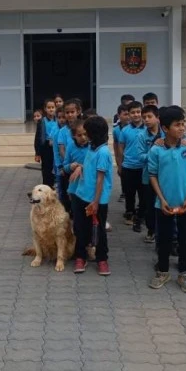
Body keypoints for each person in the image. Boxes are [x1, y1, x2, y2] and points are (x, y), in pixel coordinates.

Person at [148, 106, 186, 293]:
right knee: (163, 239)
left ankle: (184, 272)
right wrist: (161, 199)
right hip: (163, 204)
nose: (182, 128)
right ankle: (162, 271)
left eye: (183, 124)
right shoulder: (156, 150)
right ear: (165, 127)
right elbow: (152, 175)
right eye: (177, 125)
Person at [70, 116, 113, 276]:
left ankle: (102, 259)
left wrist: (95, 202)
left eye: (87, 132)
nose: (85, 135)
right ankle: (80, 256)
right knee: (80, 228)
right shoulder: (91, 148)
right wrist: (80, 168)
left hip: (97, 200)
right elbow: (89, 167)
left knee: (99, 230)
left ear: (94, 133)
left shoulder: (103, 152)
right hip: (81, 195)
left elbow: (100, 179)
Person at [135, 105, 165, 240]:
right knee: (150, 205)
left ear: (157, 118)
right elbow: (141, 156)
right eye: (144, 117)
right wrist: (154, 150)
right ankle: (151, 230)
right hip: (148, 176)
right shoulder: (142, 136)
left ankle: (165, 232)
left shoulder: (165, 133)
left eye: (149, 117)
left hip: (165, 176)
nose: (146, 120)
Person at [117, 101, 146, 225]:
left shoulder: (147, 129)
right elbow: (121, 147)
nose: (136, 115)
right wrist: (120, 164)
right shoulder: (125, 130)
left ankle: (141, 215)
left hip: (143, 167)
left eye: (138, 112)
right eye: (132, 112)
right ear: (128, 114)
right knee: (129, 193)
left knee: (143, 193)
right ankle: (130, 213)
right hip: (128, 166)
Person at [62, 120, 89, 232]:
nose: (83, 137)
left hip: (89, 186)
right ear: (74, 136)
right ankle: (79, 242)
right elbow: (65, 166)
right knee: (77, 216)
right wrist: (71, 166)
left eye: (85, 134)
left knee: (89, 216)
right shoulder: (71, 147)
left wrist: (82, 167)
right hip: (75, 187)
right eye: (79, 135)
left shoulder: (93, 147)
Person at [57, 99, 82, 214]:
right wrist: (67, 164)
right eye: (67, 112)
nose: (70, 115)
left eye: (72, 112)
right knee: (70, 192)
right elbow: (61, 149)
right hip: (70, 167)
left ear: (78, 111)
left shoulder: (84, 127)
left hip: (85, 167)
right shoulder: (62, 131)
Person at [34, 99, 57, 187]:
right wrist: (37, 153)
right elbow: (38, 138)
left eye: (53, 107)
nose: (51, 109)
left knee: (56, 166)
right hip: (46, 147)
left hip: (57, 146)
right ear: (45, 109)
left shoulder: (58, 119)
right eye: (49, 107)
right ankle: (47, 187)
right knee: (46, 168)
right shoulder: (42, 121)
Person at [112, 104, 130, 203]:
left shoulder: (135, 129)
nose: (127, 117)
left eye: (128, 114)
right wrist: (118, 161)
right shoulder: (116, 130)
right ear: (118, 116)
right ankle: (124, 192)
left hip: (132, 158)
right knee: (122, 175)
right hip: (122, 157)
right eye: (125, 114)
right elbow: (115, 145)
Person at [51, 106, 67, 203]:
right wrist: (59, 166)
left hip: (70, 163)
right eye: (59, 117)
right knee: (61, 188)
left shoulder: (71, 130)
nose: (61, 120)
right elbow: (56, 151)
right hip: (60, 164)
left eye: (63, 117)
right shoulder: (56, 132)